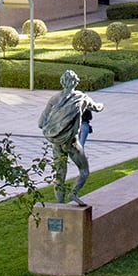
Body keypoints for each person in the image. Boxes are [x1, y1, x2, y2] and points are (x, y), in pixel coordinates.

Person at [37, 69, 104, 204]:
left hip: (56, 143)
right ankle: (73, 193)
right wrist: (102, 105)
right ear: (76, 82)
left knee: (59, 175)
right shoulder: (81, 97)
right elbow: (97, 107)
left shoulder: (54, 99)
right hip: (72, 143)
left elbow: (40, 123)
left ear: (62, 82)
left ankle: (60, 204)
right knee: (84, 171)